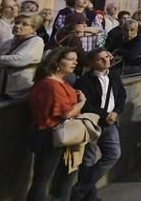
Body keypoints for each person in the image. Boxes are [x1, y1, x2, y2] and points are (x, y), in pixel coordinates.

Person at [27, 47, 86, 201]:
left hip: (60, 135)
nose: (75, 62)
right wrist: (82, 103)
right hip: (50, 135)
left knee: (65, 177)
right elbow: (65, 112)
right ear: (57, 62)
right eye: (70, 59)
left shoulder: (59, 82)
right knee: (44, 179)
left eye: (76, 59)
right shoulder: (50, 84)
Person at [71, 49, 126, 201]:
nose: (106, 61)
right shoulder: (84, 81)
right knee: (88, 160)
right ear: (92, 63)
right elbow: (86, 104)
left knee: (113, 154)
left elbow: (121, 95)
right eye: (100, 59)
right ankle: (90, 197)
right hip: (93, 123)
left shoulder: (114, 76)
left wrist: (115, 112)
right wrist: (105, 115)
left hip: (111, 122)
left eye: (106, 58)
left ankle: (80, 189)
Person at [0, 13, 44, 99]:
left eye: (24, 24)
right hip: (1, 88)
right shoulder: (9, 41)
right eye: (16, 22)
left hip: (20, 90)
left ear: (33, 28)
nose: (17, 26)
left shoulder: (36, 41)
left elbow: (19, 59)